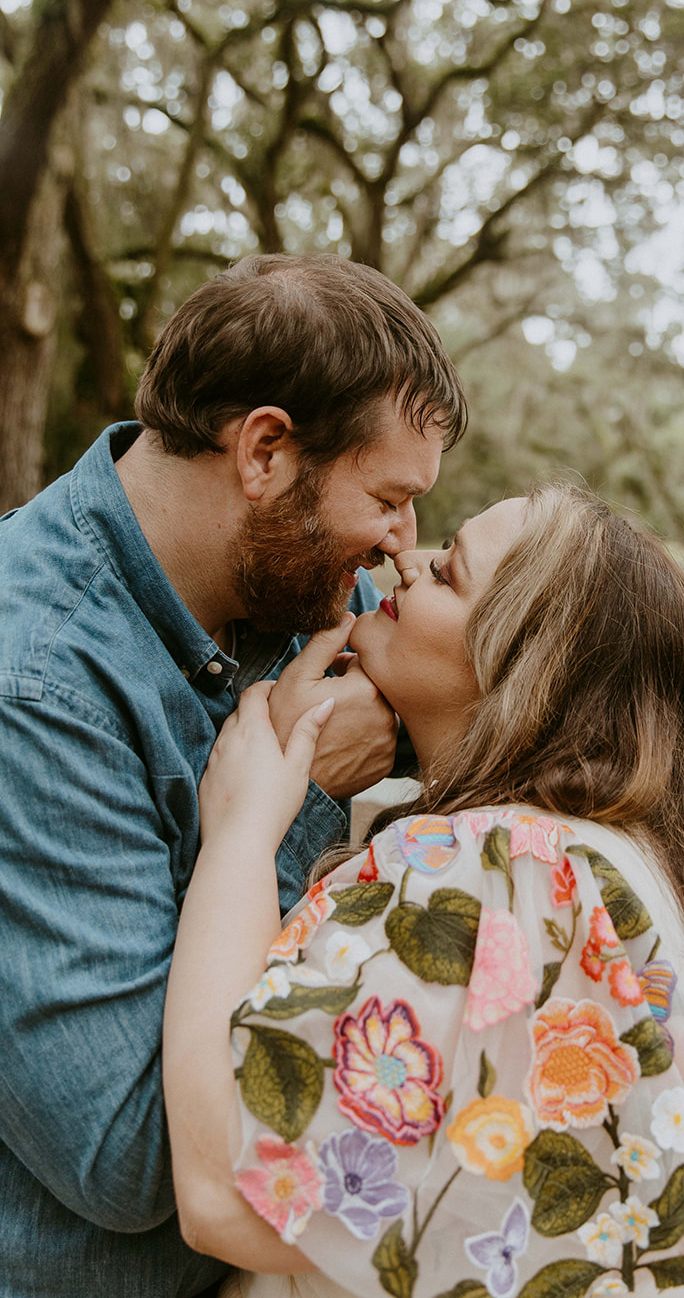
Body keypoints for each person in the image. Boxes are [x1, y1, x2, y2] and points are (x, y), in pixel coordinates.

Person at [163, 483, 684, 1298]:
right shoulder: (616, 860)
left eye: (447, 572)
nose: (406, 561)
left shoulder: (493, 869)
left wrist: (241, 829)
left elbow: (226, 1198)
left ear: (521, 660)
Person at [0, 254, 466, 1298]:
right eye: (390, 498)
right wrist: (295, 791)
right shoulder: (32, 690)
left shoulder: (283, 587)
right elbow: (127, 1156)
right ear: (263, 448)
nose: (402, 549)